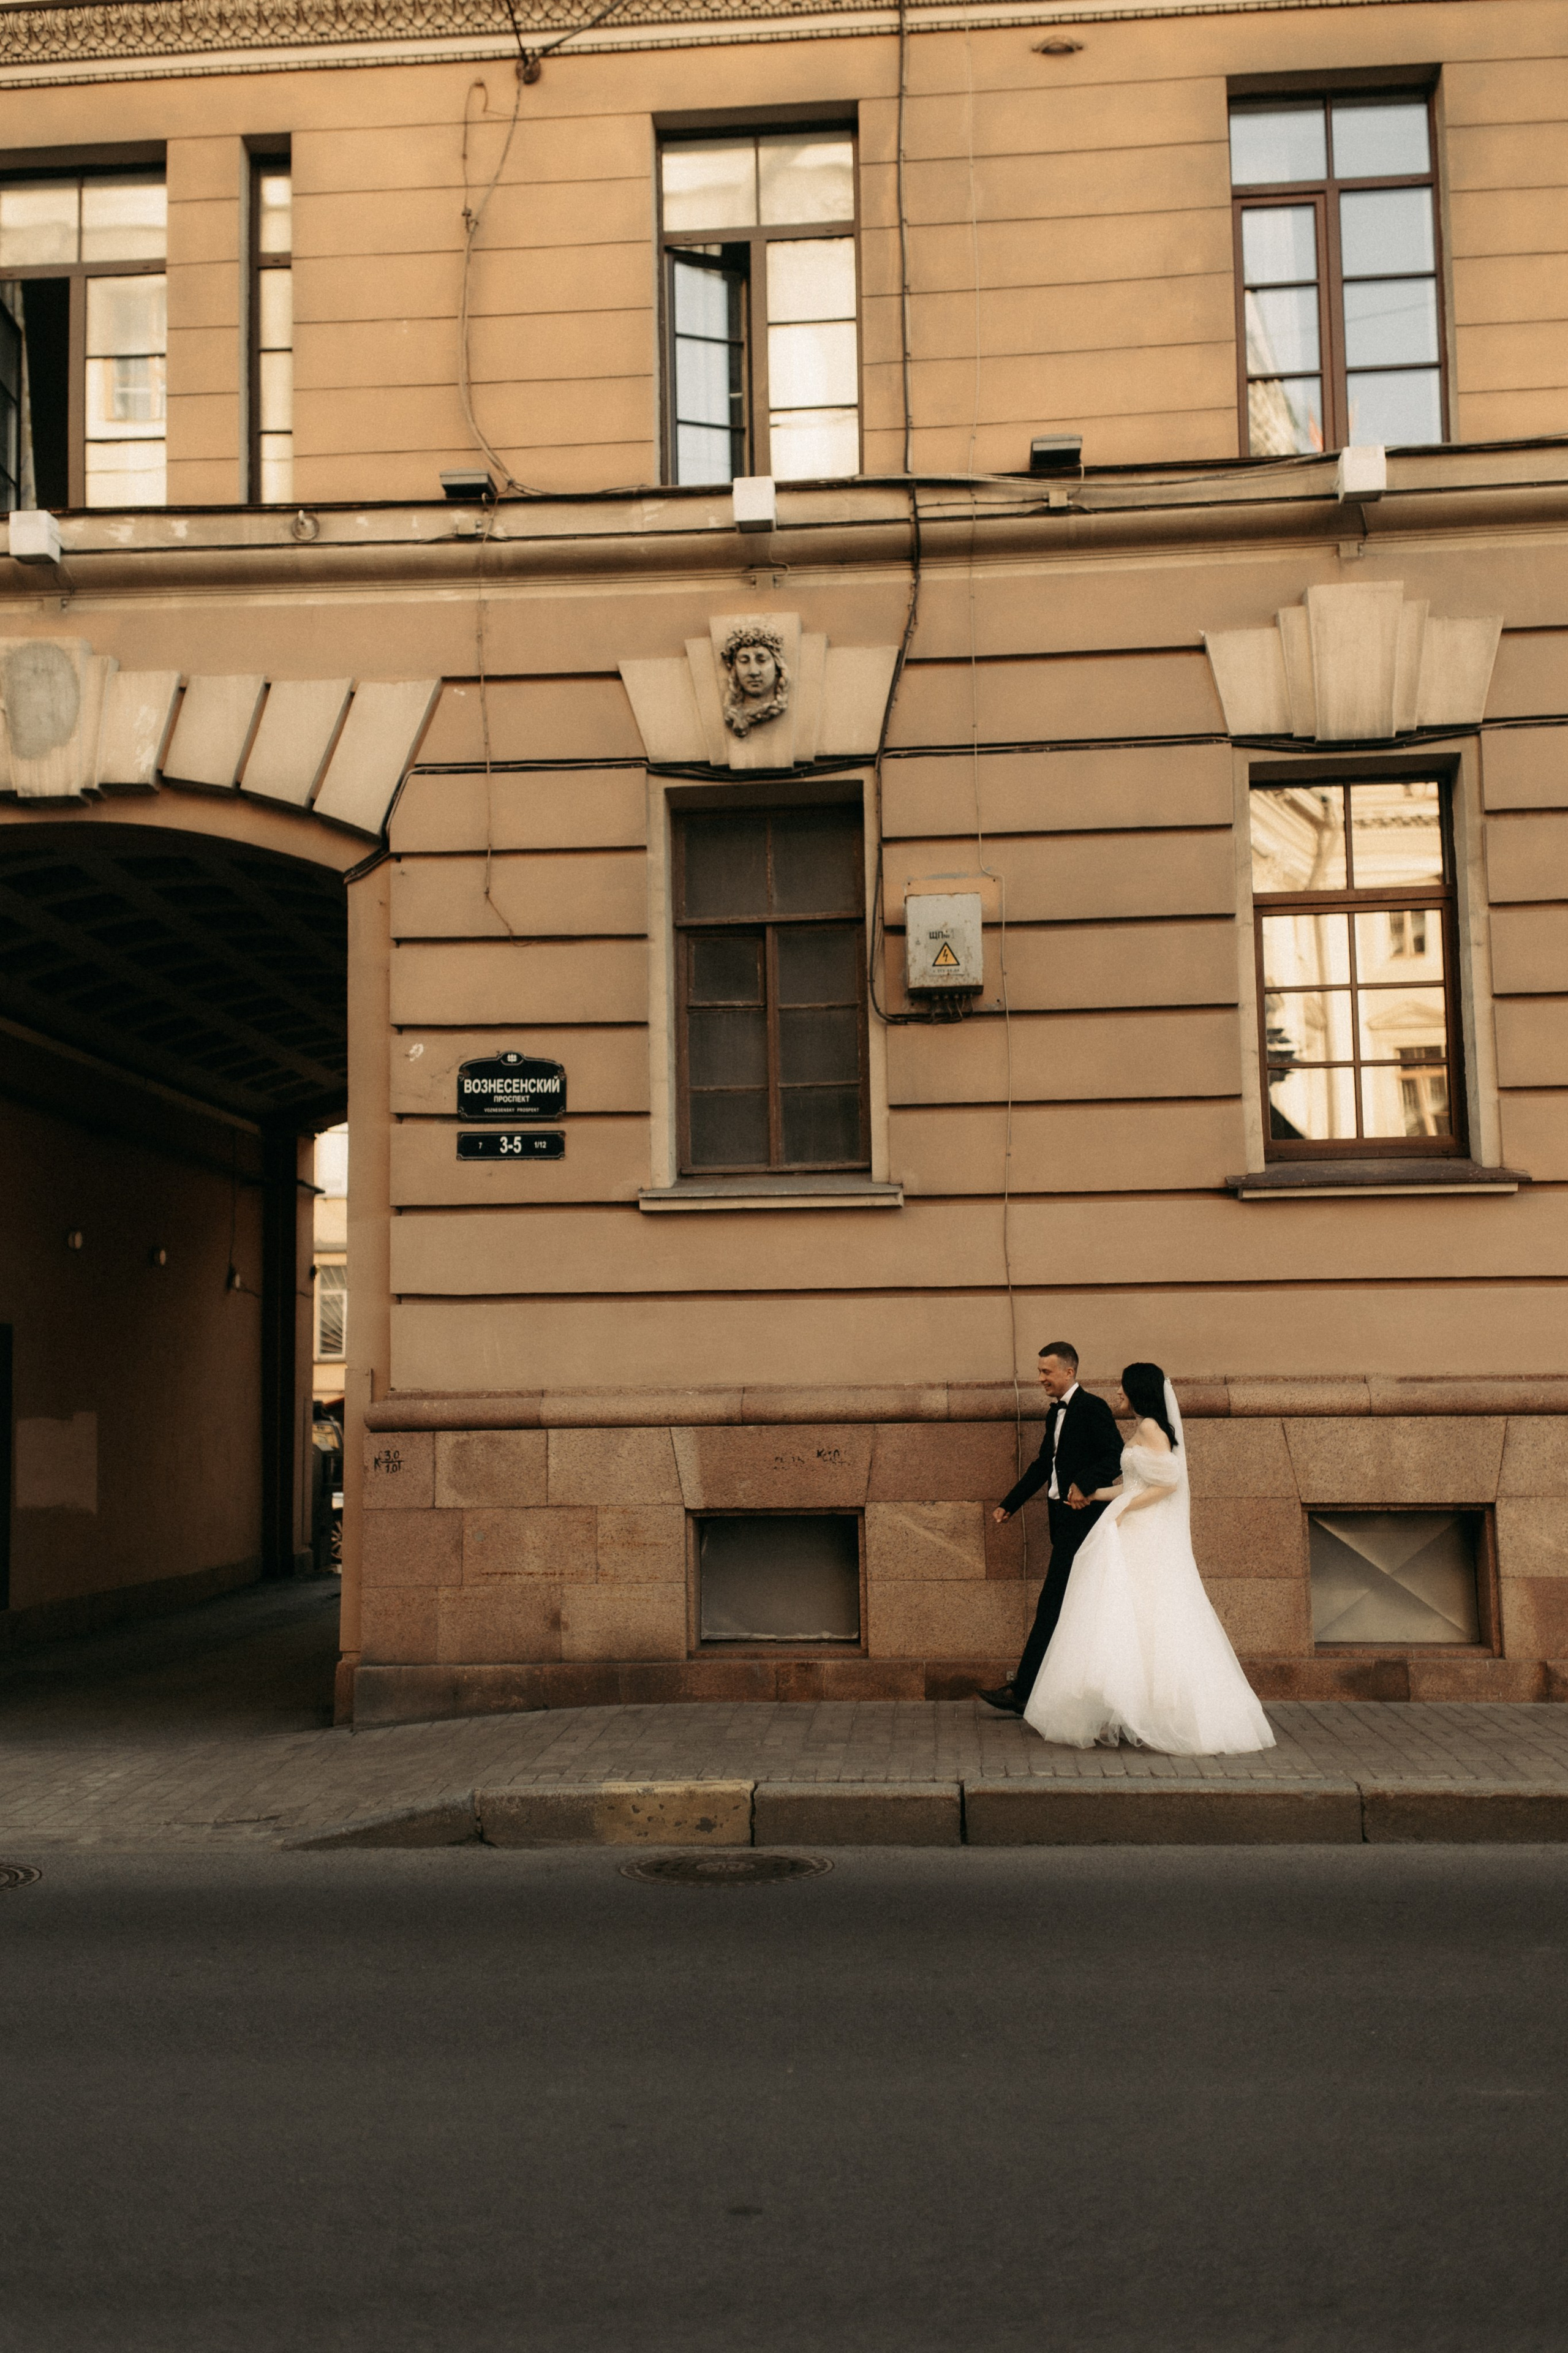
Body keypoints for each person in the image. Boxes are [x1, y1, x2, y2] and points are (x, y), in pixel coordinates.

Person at [1022, 1361, 1275, 1755]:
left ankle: (1151, 1711)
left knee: (1144, 1614)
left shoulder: (1150, 1429)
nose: (1118, 1393)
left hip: (1144, 1530)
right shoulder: (1145, 1429)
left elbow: (1167, 1485)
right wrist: (1092, 1495)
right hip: (1131, 1523)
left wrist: (1123, 1510)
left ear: (1137, 1390)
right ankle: (1130, 1708)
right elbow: (1132, 1483)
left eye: (1123, 1387)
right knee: (1129, 1616)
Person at [978, 1341, 1125, 1716]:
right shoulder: (1053, 1414)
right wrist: (1010, 1503)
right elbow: (1044, 1465)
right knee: (1068, 1607)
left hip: (1084, 1523)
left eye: (1047, 1372)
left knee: (1052, 1604)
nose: (1040, 1378)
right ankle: (1053, 1689)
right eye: (1040, 1371)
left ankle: (1024, 1690)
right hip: (1061, 1522)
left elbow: (1114, 1457)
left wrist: (1084, 1484)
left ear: (1069, 1372)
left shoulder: (1093, 1408)